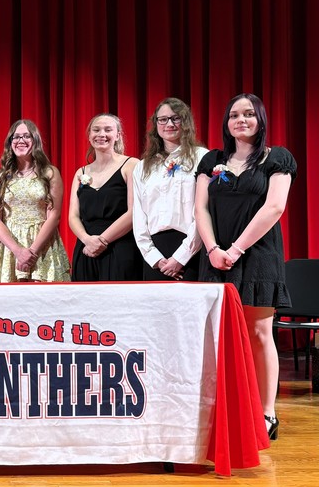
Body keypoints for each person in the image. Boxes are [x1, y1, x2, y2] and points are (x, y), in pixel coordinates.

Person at [195, 93, 296, 440]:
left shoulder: (276, 158)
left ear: (261, 119)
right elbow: (201, 210)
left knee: (258, 333)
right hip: (215, 257)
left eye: (249, 114)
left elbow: (274, 208)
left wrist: (235, 249)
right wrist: (212, 249)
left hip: (257, 256)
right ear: (227, 122)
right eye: (234, 115)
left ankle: (266, 413)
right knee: (219, 335)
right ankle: (226, 407)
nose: (241, 120)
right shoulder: (212, 160)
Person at [0, 119, 70, 282]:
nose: (21, 141)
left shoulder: (50, 173)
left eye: (26, 136)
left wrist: (32, 252)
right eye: (16, 137)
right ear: (10, 142)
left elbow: (54, 216)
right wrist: (17, 250)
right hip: (9, 246)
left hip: (42, 245)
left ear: (35, 140)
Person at [132, 98, 207, 281]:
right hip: (155, 255)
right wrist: (154, 258)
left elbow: (203, 211)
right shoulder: (143, 166)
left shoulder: (201, 157)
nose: (169, 124)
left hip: (191, 249)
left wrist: (181, 257)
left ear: (185, 122)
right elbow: (139, 215)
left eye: (176, 118)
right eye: (163, 119)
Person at [68, 114, 141, 281]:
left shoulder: (131, 165)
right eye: (96, 130)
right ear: (89, 136)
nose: (101, 134)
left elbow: (133, 212)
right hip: (86, 249)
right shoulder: (81, 172)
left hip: (120, 247)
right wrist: (87, 240)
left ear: (118, 135)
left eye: (108, 130)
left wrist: (102, 241)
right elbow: (73, 216)